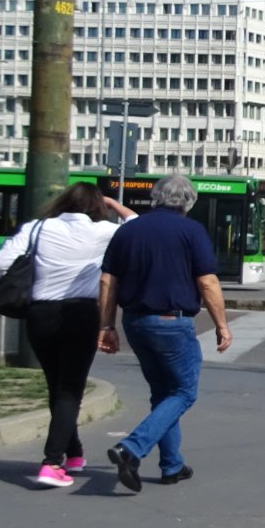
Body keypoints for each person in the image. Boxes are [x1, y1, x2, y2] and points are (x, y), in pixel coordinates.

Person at [0, 184, 136, 488]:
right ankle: (52, 462)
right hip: (81, 314)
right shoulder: (104, 231)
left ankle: (74, 453)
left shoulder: (38, 227)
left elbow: (0, 263)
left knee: (56, 383)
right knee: (70, 389)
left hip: (40, 314)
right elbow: (136, 222)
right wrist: (113, 203)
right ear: (98, 206)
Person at [97, 173, 232, 491]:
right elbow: (207, 282)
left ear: (155, 198)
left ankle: (171, 465)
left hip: (135, 322)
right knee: (184, 392)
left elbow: (107, 281)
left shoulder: (128, 231)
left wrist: (106, 326)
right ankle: (130, 449)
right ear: (188, 202)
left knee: (163, 394)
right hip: (172, 323)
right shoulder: (191, 231)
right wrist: (221, 325)